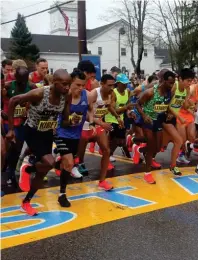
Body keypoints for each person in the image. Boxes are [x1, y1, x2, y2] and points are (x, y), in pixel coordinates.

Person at [6, 69, 71, 216]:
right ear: (54, 83)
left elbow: (65, 119)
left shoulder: (66, 96)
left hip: (47, 133)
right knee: (49, 162)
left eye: (69, 84)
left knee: (43, 172)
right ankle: (28, 167)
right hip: (32, 131)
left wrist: (70, 120)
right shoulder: (39, 93)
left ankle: (26, 201)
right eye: (64, 84)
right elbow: (13, 101)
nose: (67, 87)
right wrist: (10, 129)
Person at [54, 69, 95, 207]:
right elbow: (62, 120)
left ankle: (57, 160)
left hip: (76, 135)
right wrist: (70, 122)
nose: (81, 88)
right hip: (61, 133)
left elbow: (90, 109)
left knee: (67, 164)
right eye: (77, 85)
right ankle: (62, 195)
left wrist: (92, 119)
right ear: (71, 83)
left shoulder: (86, 95)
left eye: (83, 85)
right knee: (70, 163)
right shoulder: (64, 97)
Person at [76, 74, 121, 187]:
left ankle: (102, 181)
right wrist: (100, 123)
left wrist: (117, 117)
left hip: (98, 125)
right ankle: (78, 163)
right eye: (109, 85)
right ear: (102, 84)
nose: (111, 88)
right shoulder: (93, 94)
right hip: (86, 125)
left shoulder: (111, 93)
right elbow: (85, 113)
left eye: (113, 85)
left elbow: (109, 106)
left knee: (106, 150)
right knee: (79, 154)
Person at [136, 70, 177, 184]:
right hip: (148, 120)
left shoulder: (170, 93)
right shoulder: (150, 92)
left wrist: (169, 113)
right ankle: (147, 174)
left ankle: (137, 147)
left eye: (173, 83)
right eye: (169, 83)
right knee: (151, 145)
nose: (171, 85)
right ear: (162, 81)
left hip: (158, 120)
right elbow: (138, 104)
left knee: (158, 147)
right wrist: (144, 115)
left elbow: (165, 105)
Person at [2, 67, 36, 188]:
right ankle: (9, 172)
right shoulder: (7, 86)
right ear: (16, 78)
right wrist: (1, 110)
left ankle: (13, 170)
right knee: (8, 149)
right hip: (8, 121)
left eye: (24, 81)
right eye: (20, 81)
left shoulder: (32, 87)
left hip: (22, 122)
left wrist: (29, 108)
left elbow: (37, 101)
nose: (22, 84)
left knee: (18, 148)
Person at [104, 73, 134, 165]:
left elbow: (128, 106)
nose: (125, 85)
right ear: (118, 83)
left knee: (120, 140)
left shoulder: (128, 91)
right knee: (112, 140)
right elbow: (114, 109)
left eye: (126, 83)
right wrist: (125, 108)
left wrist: (130, 112)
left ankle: (112, 154)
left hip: (120, 119)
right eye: (123, 83)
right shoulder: (113, 93)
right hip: (111, 118)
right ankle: (108, 156)